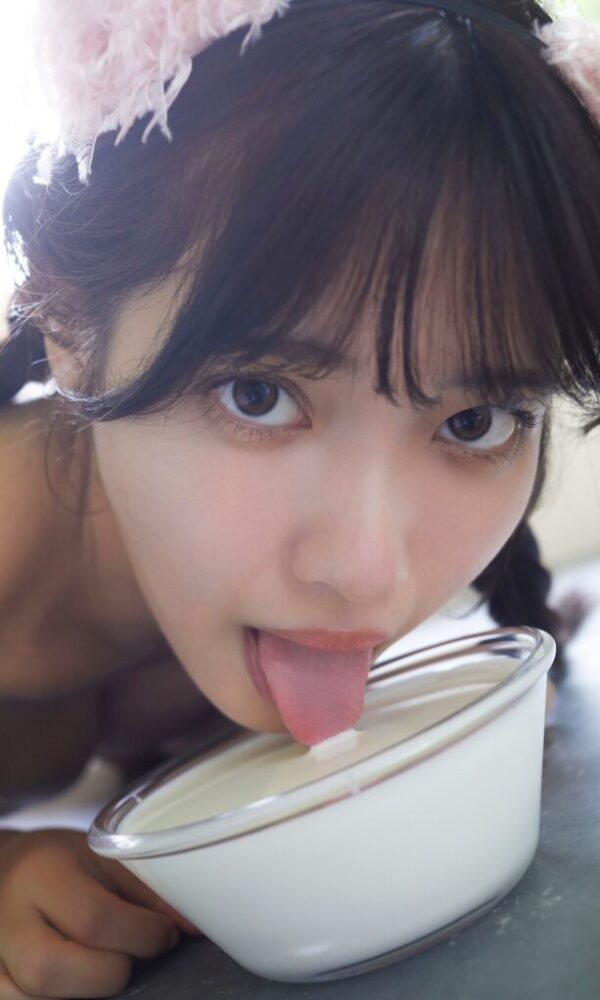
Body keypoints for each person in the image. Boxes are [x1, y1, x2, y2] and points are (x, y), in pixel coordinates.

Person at [0, 0, 599, 995]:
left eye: (476, 420)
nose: (367, 571)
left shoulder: (262, 618)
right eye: (259, 395)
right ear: (67, 322)